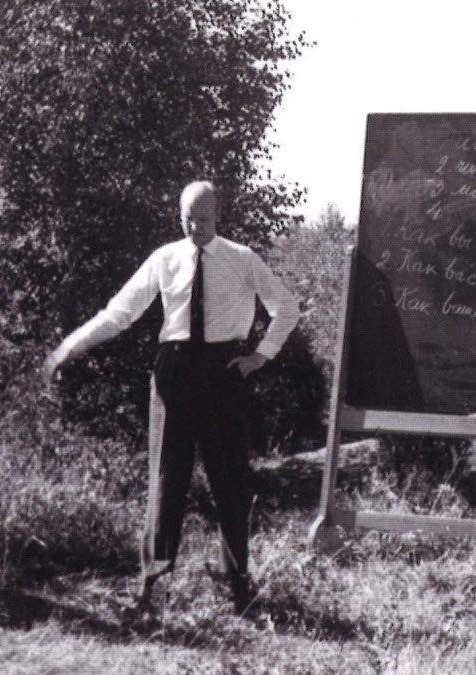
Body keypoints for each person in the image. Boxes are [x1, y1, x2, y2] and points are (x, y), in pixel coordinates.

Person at [42, 180, 300, 613]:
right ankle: (151, 587)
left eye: (203, 218)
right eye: (187, 218)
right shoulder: (165, 259)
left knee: (230, 480)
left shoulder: (242, 259)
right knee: (166, 478)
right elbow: (120, 313)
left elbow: (286, 307)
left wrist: (260, 356)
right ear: (178, 215)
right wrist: (71, 346)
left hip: (225, 373)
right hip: (174, 373)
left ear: (218, 215)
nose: (195, 227)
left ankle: (238, 586)